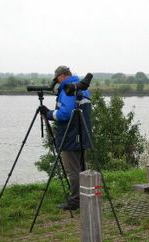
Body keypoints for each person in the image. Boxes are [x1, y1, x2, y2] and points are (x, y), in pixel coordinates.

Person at [39, 66, 92, 210]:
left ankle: (75, 201)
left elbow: (65, 114)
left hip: (71, 135)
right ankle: (86, 197)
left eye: (56, 79)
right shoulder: (80, 86)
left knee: (73, 169)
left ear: (62, 76)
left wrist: (49, 114)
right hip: (81, 134)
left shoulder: (69, 89)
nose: (56, 82)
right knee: (81, 167)